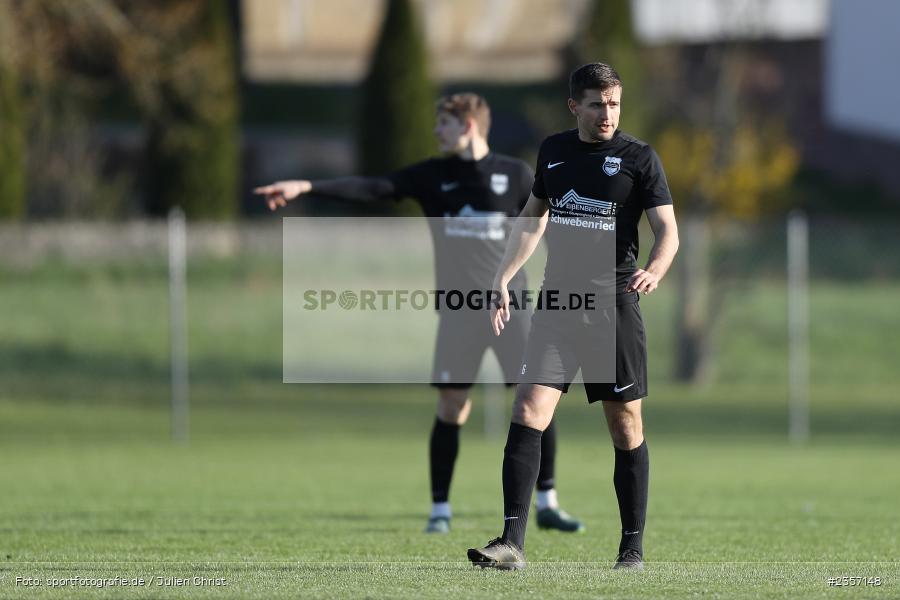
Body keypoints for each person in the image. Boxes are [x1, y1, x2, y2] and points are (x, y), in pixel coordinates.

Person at [255, 93, 584, 535]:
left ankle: (547, 502)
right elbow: (375, 188)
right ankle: (440, 510)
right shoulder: (433, 175)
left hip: (513, 309)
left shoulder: (516, 174)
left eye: (443, 124)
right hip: (459, 313)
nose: (435, 131)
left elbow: (546, 224)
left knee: (536, 403)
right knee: (452, 407)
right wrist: (308, 187)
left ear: (468, 126)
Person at [466, 63, 679, 570]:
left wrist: (654, 269)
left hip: (614, 306)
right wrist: (501, 277)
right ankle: (511, 544)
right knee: (527, 412)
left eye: (614, 104)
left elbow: (667, 230)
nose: (608, 114)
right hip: (558, 304)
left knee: (625, 427)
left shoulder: (639, 158)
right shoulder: (554, 152)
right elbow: (532, 219)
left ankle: (631, 548)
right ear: (574, 106)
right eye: (597, 104)